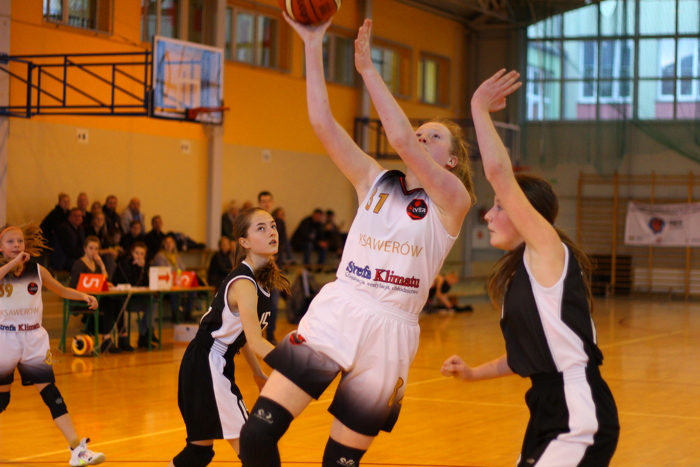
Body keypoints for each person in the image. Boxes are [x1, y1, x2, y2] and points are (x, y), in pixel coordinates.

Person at [239, 18, 474, 467]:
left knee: (340, 463)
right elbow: (321, 123)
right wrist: (312, 44)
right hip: (340, 309)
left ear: (452, 160)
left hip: (391, 330)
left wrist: (367, 70)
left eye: (434, 136)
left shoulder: (453, 201)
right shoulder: (374, 179)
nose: (421, 137)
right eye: (420, 131)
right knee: (256, 435)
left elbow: (400, 138)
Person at [440, 69, 619, 466]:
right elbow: (526, 356)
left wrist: (478, 109)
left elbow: (498, 173)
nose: (488, 215)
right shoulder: (522, 275)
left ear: (527, 215)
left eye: (499, 207)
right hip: (545, 408)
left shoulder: (548, 250)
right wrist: (473, 373)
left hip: (577, 409)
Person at [168, 207, 290, 467]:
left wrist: (257, 373)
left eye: (272, 226)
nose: (271, 232)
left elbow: (243, 337)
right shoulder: (244, 283)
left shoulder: (260, 279)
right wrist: (296, 366)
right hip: (207, 362)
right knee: (255, 451)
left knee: (198, 453)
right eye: (261, 228)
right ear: (244, 242)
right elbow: (256, 341)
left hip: (208, 361)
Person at [0, 225, 106, 466]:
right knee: (2, 400)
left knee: (52, 395)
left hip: (33, 339)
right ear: (1, 247)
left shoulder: (37, 270)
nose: (16, 245)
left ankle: (77, 450)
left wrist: (83, 295)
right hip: (5, 339)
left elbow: (61, 290)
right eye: (10, 241)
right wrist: (12, 263)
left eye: (19, 241)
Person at [69, 236, 131, 353]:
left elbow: (102, 279)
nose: (94, 251)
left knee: (117, 301)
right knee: (108, 303)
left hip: (94, 298)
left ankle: (123, 337)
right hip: (80, 300)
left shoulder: (96, 264)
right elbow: (76, 286)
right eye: (91, 248)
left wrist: (102, 265)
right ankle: (106, 340)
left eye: (96, 249)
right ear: (85, 249)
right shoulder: (79, 264)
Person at [112, 241, 157, 349]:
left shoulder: (145, 266)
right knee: (118, 305)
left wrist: (143, 269)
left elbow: (148, 284)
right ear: (132, 252)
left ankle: (144, 335)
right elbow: (131, 283)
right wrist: (139, 268)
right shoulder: (124, 264)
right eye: (137, 253)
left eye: (142, 254)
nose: (139, 256)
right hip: (123, 299)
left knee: (153, 302)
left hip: (136, 298)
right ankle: (124, 338)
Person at [152, 235, 195, 322]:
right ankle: (175, 314)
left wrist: (177, 272)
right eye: (166, 242)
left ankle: (188, 313)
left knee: (192, 290)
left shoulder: (176, 256)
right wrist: (176, 271)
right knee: (175, 291)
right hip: (165, 283)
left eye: (171, 242)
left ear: (174, 244)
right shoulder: (160, 256)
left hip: (177, 280)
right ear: (163, 244)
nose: (169, 244)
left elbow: (182, 268)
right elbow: (164, 270)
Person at [258, 190, 281, 345]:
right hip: (259, 269)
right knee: (258, 304)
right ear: (259, 203)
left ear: (272, 202)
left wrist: (276, 261)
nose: (266, 204)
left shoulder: (280, 223)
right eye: (263, 201)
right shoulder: (255, 223)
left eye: (268, 201)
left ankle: (271, 335)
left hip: (274, 269)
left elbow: (283, 245)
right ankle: (256, 336)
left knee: (273, 304)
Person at [50, 208, 86, 272]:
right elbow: (69, 251)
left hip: (75, 259)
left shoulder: (81, 230)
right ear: (69, 217)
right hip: (63, 261)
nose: (77, 218)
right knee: (83, 265)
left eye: (79, 216)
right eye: (74, 215)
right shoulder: (63, 229)